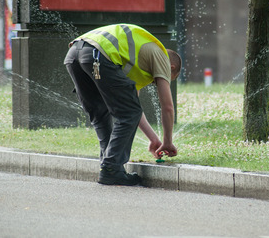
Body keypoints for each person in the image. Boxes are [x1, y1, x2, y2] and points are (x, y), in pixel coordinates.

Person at [64, 23, 182, 186]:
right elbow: (167, 106)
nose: (158, 83)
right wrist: (167, 141)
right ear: (171, 67)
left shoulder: (133, 62)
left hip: (74, 54)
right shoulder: (161, 56)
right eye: (168, 78)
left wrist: (153, 139)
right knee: (126, 114)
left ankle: (109, 168)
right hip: (98, 53)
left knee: (101, 112)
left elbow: (133, 109)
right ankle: (111, 168)